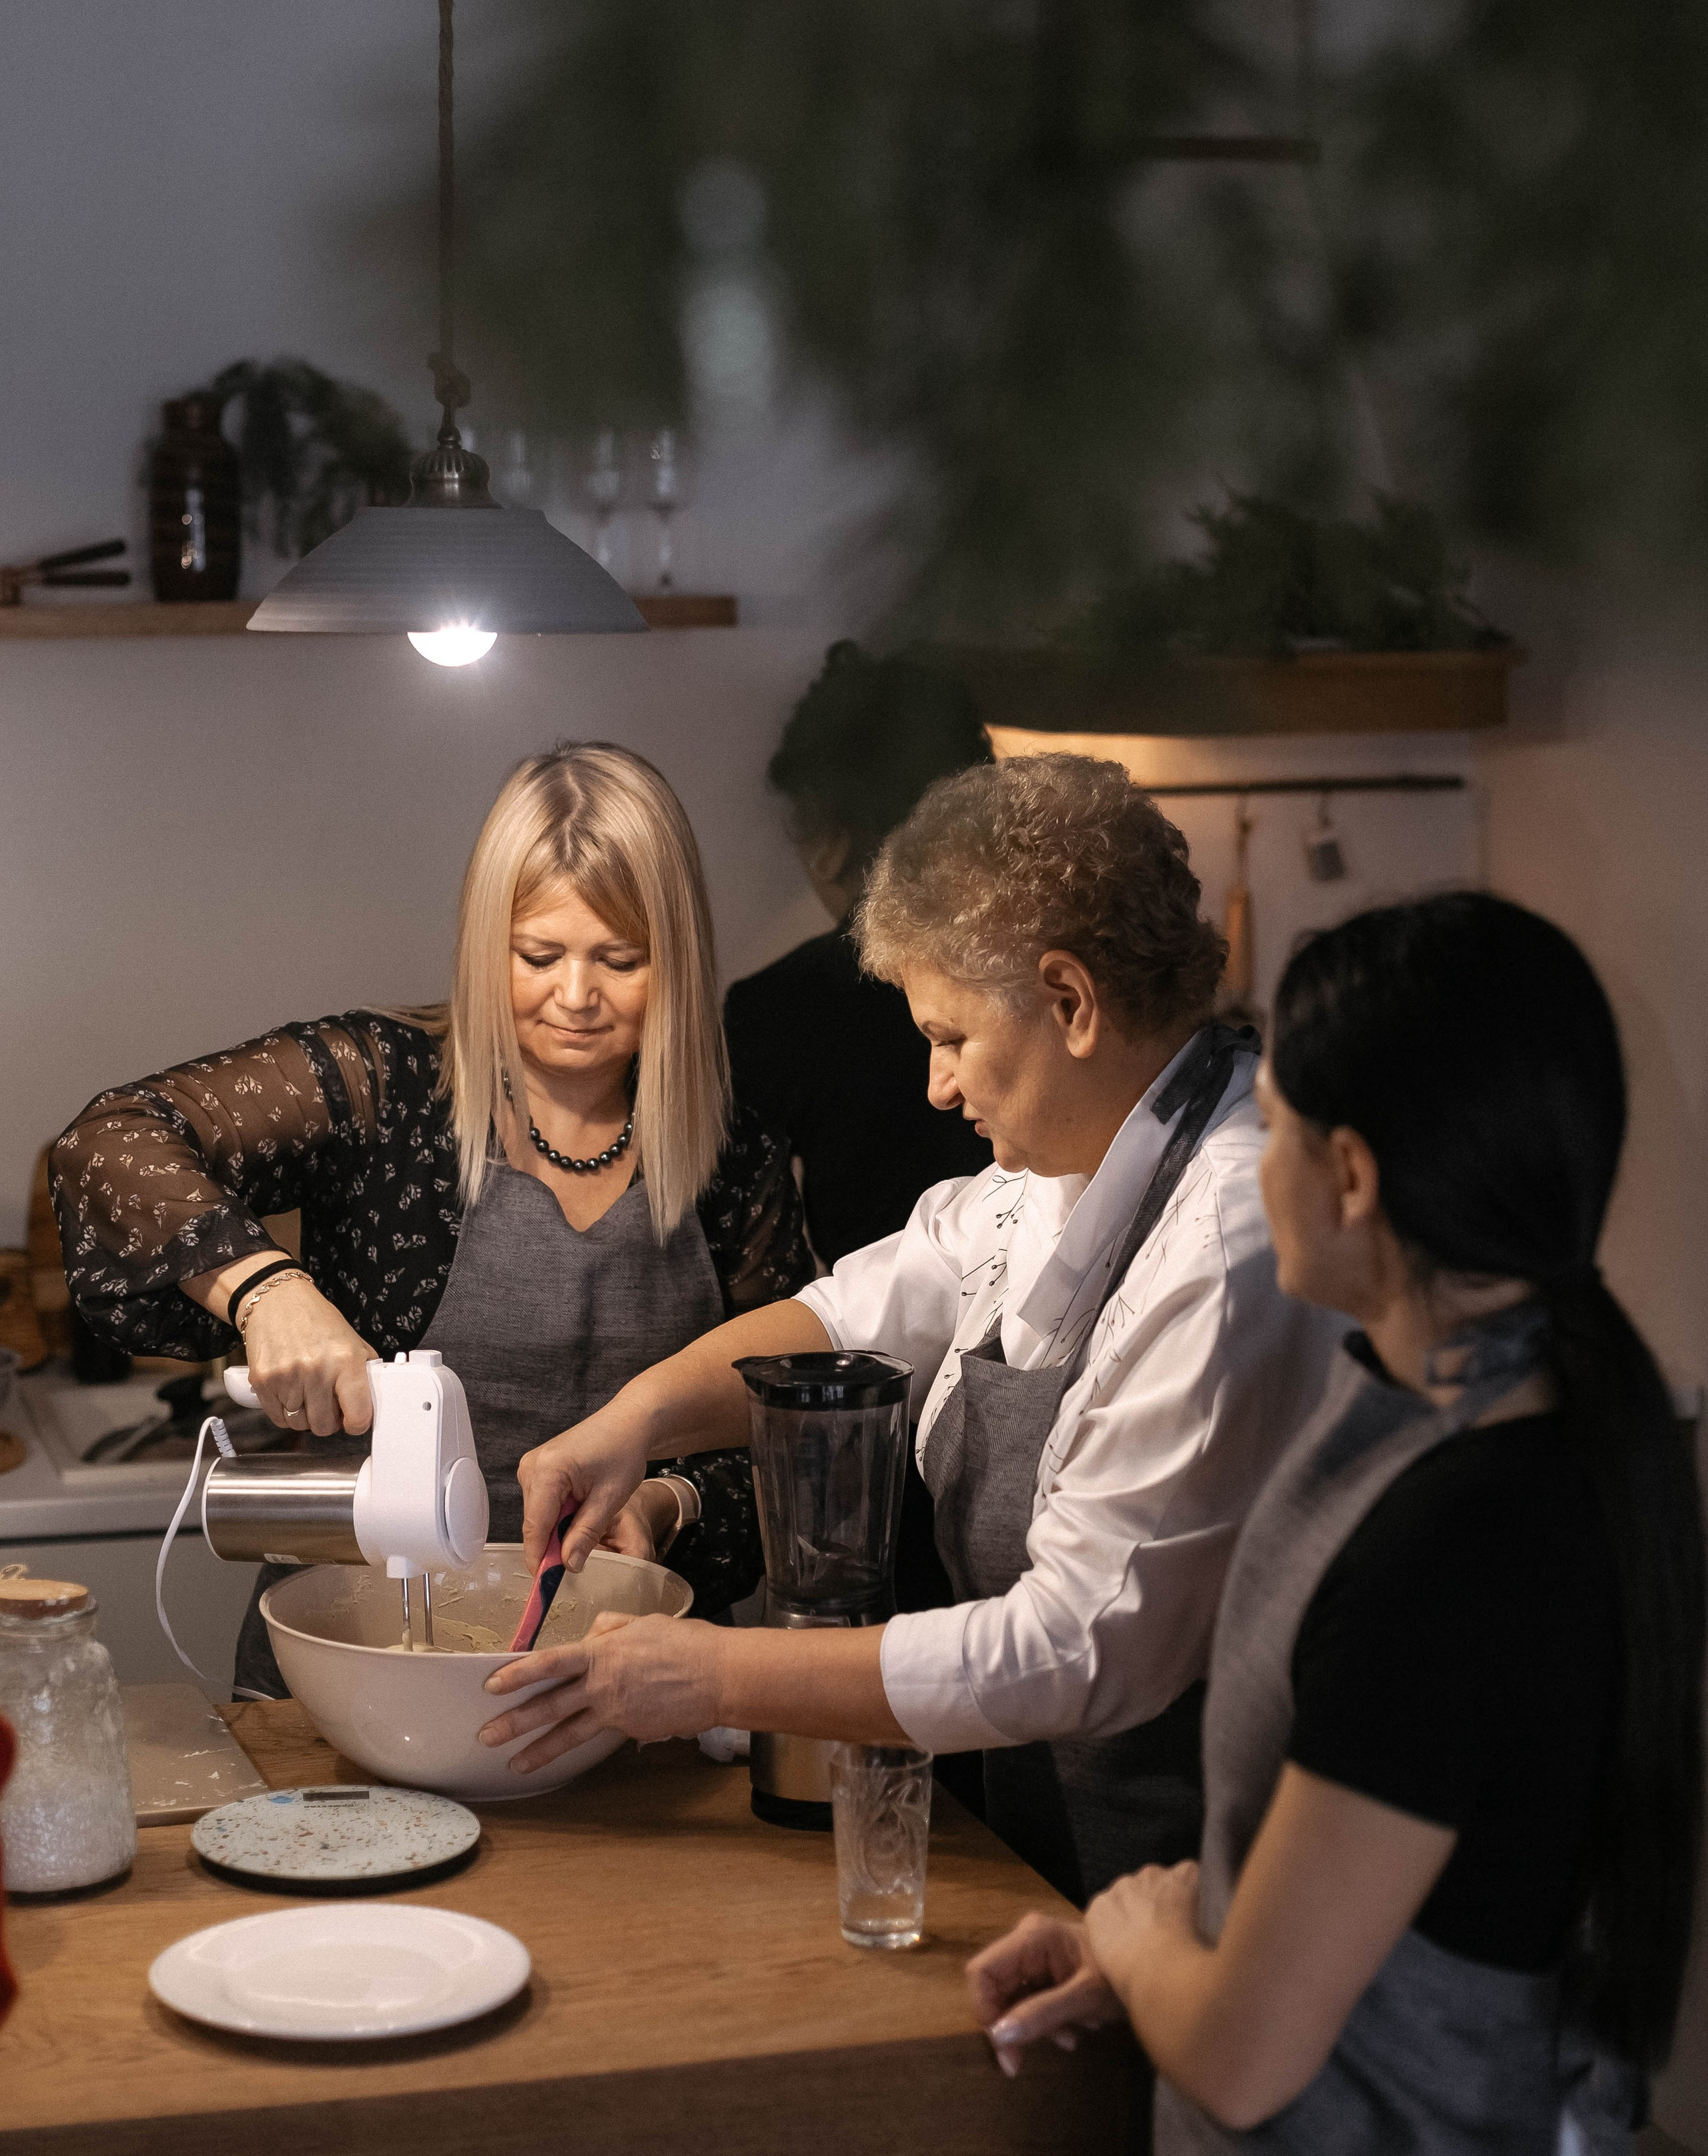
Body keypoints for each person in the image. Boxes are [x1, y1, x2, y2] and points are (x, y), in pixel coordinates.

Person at [478, 753, 1345, 1904]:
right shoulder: (1052, 1171)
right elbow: (854, 1309)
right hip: (1047, 1850)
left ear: (1072, 1003)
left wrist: (719, 1674)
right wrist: (631, 1424)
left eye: (952, 1037)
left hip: (1204, 1879)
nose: (936, 1087)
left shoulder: (1226, 1243)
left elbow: (1067, 1647)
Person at [965, 893, 1705, 2153]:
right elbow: (1372, 1892)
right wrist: (1138, 1949)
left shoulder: (1463, 1545)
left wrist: (1152, 1950)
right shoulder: (1498, 1431)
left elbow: (1244, 2061)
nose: (1259, 1166)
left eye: (1278, 1132)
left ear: (1351, 1176)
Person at [51, 743, 813, 1697]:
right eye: (539, 956)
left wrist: (670, 1499)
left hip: (618, 1690)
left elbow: (790, 1425)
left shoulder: (734, 1151)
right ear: (485, 943)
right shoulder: (383, 1085)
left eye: (620, 961)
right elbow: (109, 1144)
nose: (575, 998)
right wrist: (267, 1290)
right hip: (351, 1671)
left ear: (681, 961)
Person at [723, 640, 994, 1267]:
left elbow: (734, 1214)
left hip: (871, 1344)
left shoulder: (779, 1008)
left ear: (828, 841)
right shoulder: (1044, 967)